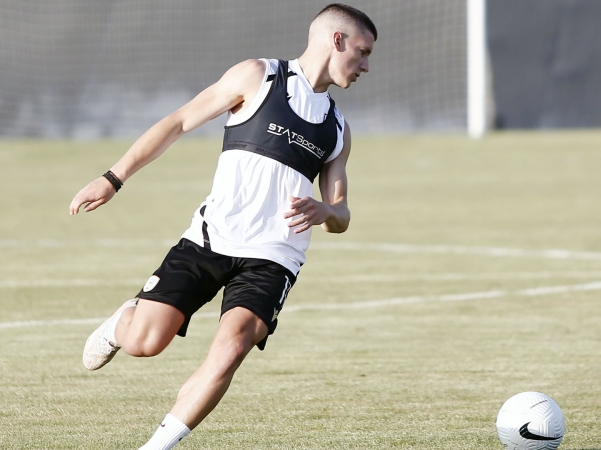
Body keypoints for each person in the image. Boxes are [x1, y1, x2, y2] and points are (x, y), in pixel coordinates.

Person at [68, 4, 376, 449]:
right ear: (337, 40)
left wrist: (326, 211)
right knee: (144, 343)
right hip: (209, 240)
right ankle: (122, 323)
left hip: (274, 258)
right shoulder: (259, 76)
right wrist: (113, 178)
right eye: (363, 52)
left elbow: (342, 214)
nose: (366, 65)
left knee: (231, 349)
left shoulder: (338, 129)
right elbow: (177, 123)